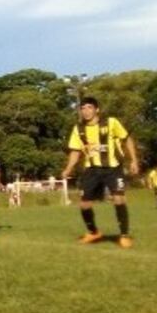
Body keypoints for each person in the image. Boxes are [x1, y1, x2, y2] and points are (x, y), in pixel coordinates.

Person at [60, 97, 139, 248]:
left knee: (119, 199)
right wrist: (68, 168)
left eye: (89, 107)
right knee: (84, 205)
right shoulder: (79, 129)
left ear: (97, 109)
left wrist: (134, 160)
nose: (86, 111)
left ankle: (124, 235)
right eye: (83, 108)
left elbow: (127, 139)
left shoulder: (111, 123)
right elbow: (75, 151)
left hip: (113, 168)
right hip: (92, 170)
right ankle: (93, 232)